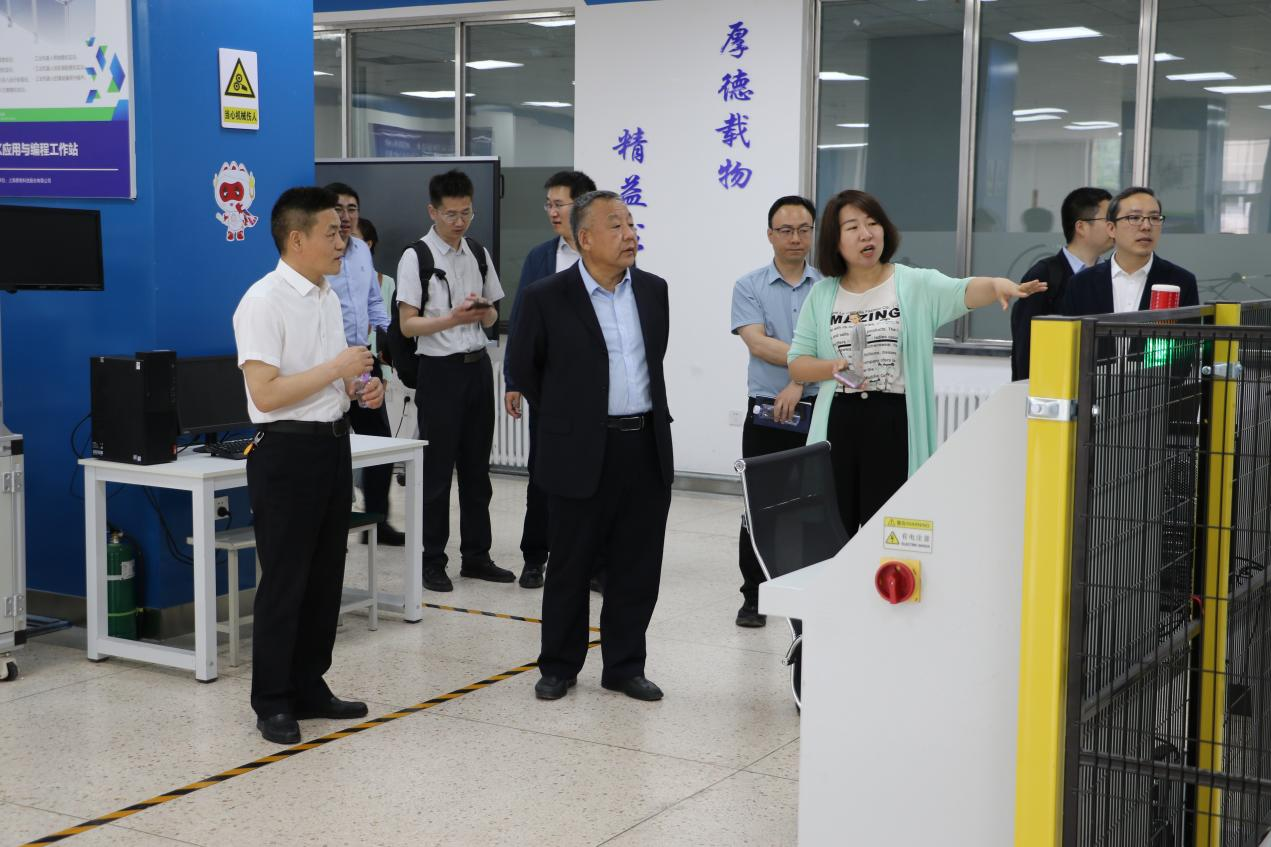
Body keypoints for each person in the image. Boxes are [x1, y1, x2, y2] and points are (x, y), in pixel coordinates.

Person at [788, 189, 1045, 538]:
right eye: (853, 227)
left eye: (873, 223)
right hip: (839, 420)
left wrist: (997, 285)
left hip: (894, 422)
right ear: (835, 240)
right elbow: (798, 364)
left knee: (890, 530)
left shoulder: (914, 283)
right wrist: (832, 368)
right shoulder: (821, 295)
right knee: (832, 531)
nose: (866, 234)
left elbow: (963, 291)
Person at [506, 190, 673, 703]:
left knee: (636, 566)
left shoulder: (653, 290)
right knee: (571, 564)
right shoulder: (546, 296)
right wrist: (571, 418)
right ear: (585, 238)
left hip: (644, 445)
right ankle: (559, 665)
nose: (630, 234)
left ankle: (624, 666)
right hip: (578, 450)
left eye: (631, 224)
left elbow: (653, 360)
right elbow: (523, 368)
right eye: (616, 225)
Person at [232, 186, 382, 745]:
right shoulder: (263, 301)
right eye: (332, 232)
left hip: (332, 446)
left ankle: (309, 685)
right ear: (297, 239)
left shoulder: (327, 296)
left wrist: (357, 387)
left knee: (324, 578)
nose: (343, 241)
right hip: (286, 453)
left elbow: (328, 379)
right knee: (286, 580)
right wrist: (336, 370)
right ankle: (272, 699)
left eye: (343, 231)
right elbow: (266, 394)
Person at [396, 169, 509, 592]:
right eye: (451, 214)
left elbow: (493, 316)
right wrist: (453, 319)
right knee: (437, 473)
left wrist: (482, 312)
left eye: (466, 213)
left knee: (478, 471)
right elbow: (407, 325)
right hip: (440, 371)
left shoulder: (477, 252)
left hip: (477, 368)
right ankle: (432, 561)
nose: (459, 222)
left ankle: (477, 556)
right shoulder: (416, 257)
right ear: (433, 211)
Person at [729, 195, 820, 628]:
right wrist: (810, 362)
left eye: (804, 229)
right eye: (786, 230)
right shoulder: (749, 285)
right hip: (767, 412)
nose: (795, 238)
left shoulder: (829, 287)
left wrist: (799, 381)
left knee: (814, 505)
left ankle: (808, 590)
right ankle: (753, 595)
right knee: (758, 506)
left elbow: (836, 346)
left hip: (819, 408)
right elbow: (757, 342)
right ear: (770, 235)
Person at [503, 169, 597, 590]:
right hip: (549, 387)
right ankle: (534, 556)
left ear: (582, 205)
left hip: (597, 389)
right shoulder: (541, 257)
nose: (552, 212)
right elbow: (521, 320)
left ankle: (592, 562)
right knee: (543, 473)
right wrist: (513, 378)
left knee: (595, 476)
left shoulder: (604, 254)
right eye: (549, 205)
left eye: (559, 204)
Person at [322, 183, 403, 546]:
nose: (346, 215)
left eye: (352, 208)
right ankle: (333, 522)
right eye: (338, 208)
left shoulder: (361, 254)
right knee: (332, 447)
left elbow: (374, 303)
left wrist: (389, 342)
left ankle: (378, 522)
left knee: (379, 442)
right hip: (327, 365)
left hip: (362, 360)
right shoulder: (320, 255)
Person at [1010, 187, 1113, 380]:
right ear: (1081, 227)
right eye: (1108, 220)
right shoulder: (1044, 276)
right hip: (1054, 386)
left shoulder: (1111, 274)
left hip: (1103, 386)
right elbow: (1026, 347)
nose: (1114, 227)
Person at [1061, 186, 1199, 316]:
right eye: (1134, 218)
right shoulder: (1081, 284)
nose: (1146, 226)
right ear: (1111, 229)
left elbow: (1188, 333)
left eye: (1154, 218)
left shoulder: (1181, 281)